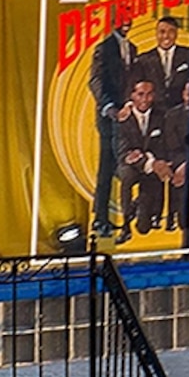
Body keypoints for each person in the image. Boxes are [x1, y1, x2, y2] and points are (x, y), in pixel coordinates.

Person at [109, 76, 184, 238]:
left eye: (149, 94)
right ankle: (126, 223)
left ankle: (146, 208)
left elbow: (165, 144)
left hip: (154, 164)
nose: (145, 99)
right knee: (126, 175)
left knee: (144, 229)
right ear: (132, 96)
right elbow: (124, 153)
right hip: (131, 166)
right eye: (141, 94)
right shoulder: (123, 119)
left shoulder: (162, 116)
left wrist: (156, 161)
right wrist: (149, 163)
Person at [86, 20, 134, 229]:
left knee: (124, 166)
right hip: (109, 119)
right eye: (123, 18)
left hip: (129, 119)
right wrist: (110, 108)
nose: (127, 22)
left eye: (129, 18)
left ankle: (124, 216)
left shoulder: (132, 48)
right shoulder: (104, 48)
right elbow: (95, 81)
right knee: (107, 168)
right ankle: (101, 219)